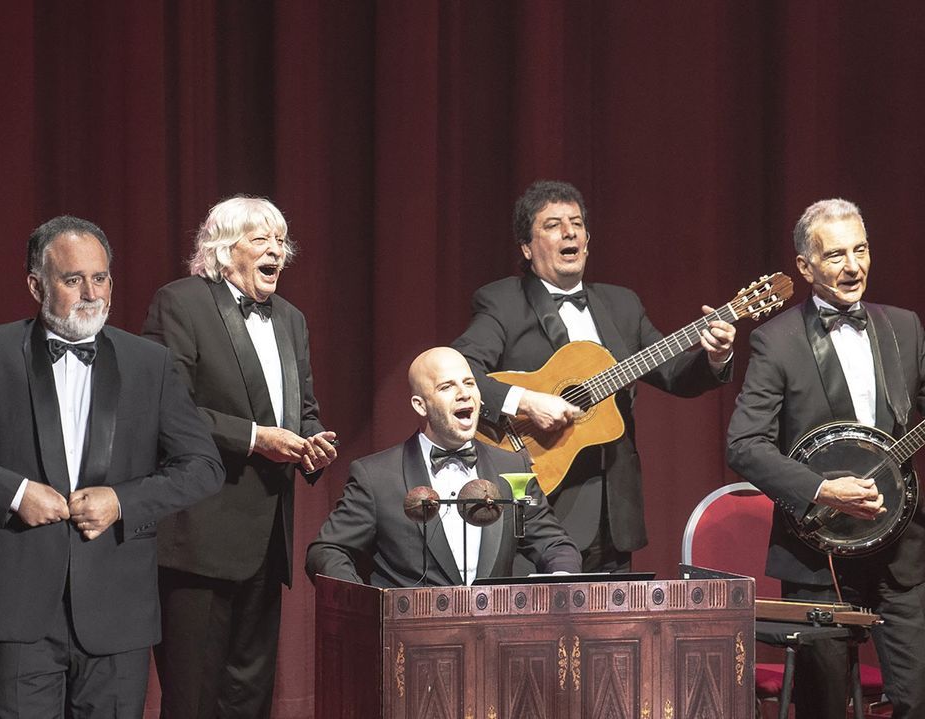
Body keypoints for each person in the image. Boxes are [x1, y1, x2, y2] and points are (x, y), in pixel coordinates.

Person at [0, 215, 223, 718]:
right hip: (19, 605)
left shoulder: (150, 363)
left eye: (99, 278)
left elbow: (202, 465)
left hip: (117, 610)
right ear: (36, 284)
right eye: (72, 279)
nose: (90, 292)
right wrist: (14, 493)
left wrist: (123, 501)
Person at [452, 180, 735, 572]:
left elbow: (675, 375)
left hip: (614, 514)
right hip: (541, 506)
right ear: (527, 248)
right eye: (553, 224)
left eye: (577, 223)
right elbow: (460, 370)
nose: (569, 232)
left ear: (587, 240)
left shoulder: (622, 304)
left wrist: (715, 357)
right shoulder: (502, 302)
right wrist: (526, 401)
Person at [727, 199, 925, 719]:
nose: (853, 266)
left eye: (860, 250)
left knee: (916, 699)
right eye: (835, 255)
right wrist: (821, 489)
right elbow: (743, 445)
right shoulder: (777, 341)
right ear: (805, 265)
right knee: (824, 708)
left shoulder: (905, 327)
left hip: (901, 554)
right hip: (819, 555)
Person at [141, 195, 337, 719]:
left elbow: (305, 409)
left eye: (281, 240)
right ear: (225, 252)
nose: (277, 250)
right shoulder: (180, 302)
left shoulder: (292, 319)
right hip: (198, 539)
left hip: (266, 537)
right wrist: (255, 438)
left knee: (248, 698)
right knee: (195, 699)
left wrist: (313, 443)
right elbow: (164, 408)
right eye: (261, 239)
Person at [306, 347, 580, 587]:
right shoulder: (376, 477)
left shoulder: (512, 466)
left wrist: (562, 576)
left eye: (469, 383)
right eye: (447, 387)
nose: (463, 394)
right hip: (409, 639)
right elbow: (327, 550)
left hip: (495, 635)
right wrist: (363, 602)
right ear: (420, 405)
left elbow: (553, 543)